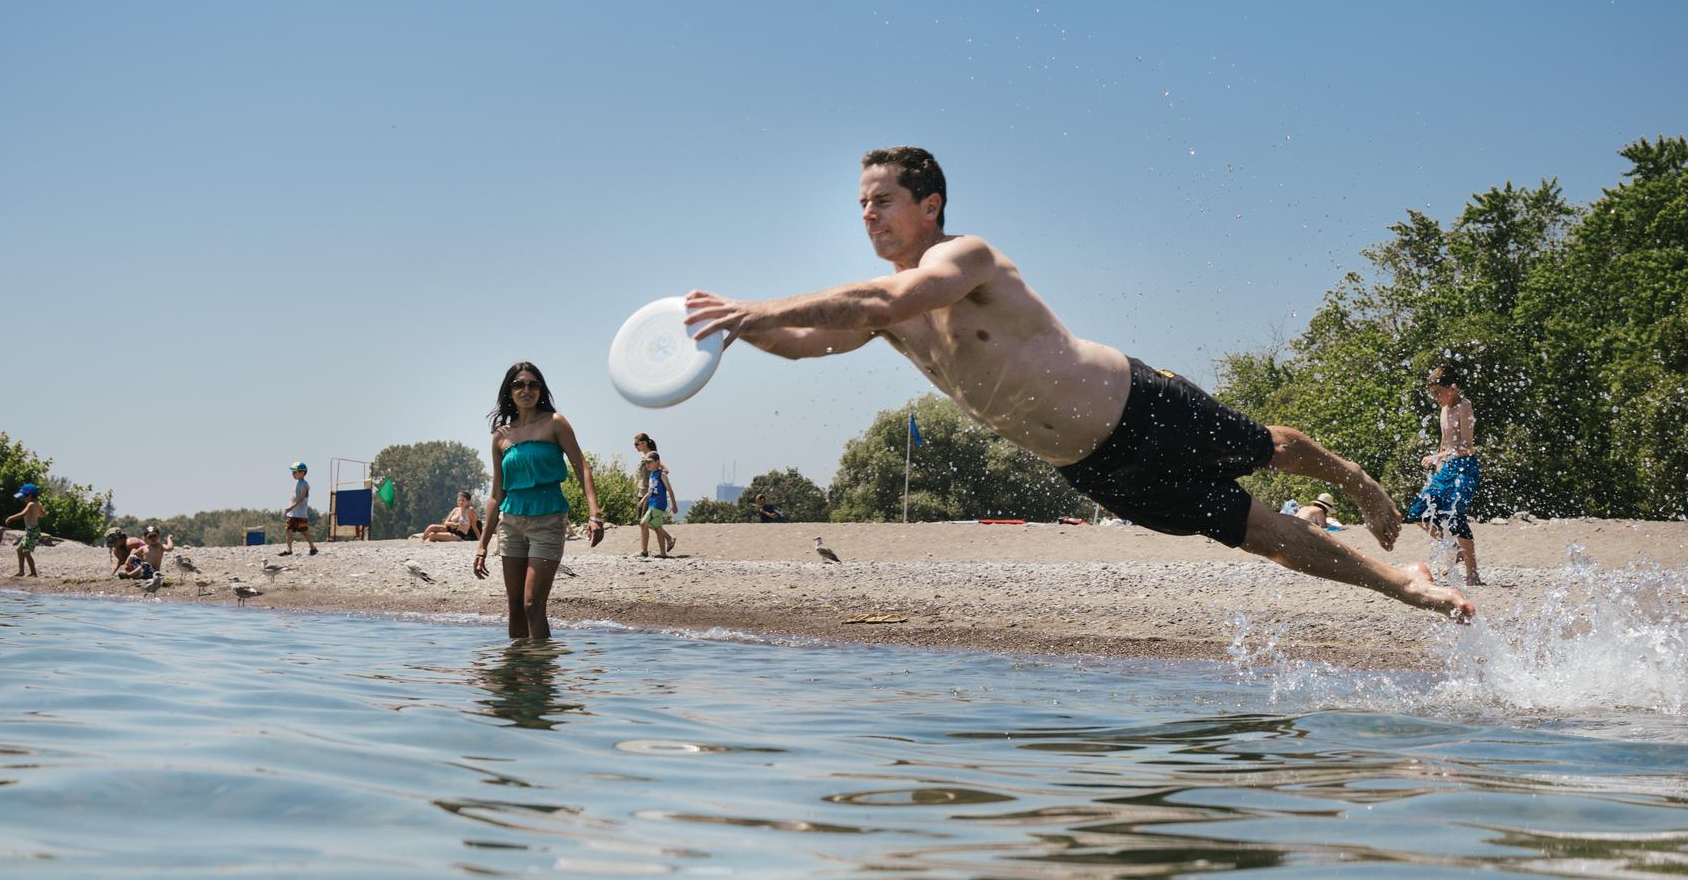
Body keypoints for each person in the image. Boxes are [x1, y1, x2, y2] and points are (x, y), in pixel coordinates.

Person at [683, 146, 1473, 620]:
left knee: (1262, 448)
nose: (868, 215)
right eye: (860, 204)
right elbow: (801, 344)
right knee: (1256, 532)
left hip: (1131, 404)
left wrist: (755, 303)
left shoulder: (967, 259)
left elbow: (890, 295)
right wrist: (731, 329)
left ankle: (1350, 476)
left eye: (882, 200)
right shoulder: (882, 314)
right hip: (1093, 469)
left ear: (930, 204)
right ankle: (1404, 588)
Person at [474, 362, 605, 639]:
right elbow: (497, 493)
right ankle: (514, 677)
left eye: (533, 384)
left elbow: (582, 466)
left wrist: (595, 514)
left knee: (532, 604)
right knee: (515, 607)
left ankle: (539, 677)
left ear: (541, 390)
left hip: (548, 520)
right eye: (519, 384)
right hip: (510, 524)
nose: (526, 390)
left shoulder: (555, 423)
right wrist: (482, 546)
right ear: (509, 392)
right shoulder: (501, 436)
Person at [1405, 365, 1483, 587]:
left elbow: (1467, 447)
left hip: (1465, 467)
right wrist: (1439, 463)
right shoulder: (1444, 410)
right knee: (1418, 513)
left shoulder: (1464, 406)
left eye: (1439, 392)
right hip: (1447, 467)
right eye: (1433, 394)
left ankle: (1473, 574)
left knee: (1457, 517)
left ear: (1453, 388)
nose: (1436, 398)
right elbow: (1445, 441)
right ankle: (1452, 548)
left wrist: (1437, 455)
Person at [634, 441, 677, 558]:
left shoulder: (661, 475)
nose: (647, 465)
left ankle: (644, 551)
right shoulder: (652, 475)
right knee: (657, 527)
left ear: (657, 462)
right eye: (646, 463)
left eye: (650, 462)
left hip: (659, 504)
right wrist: (643, 500)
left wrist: (674, 505)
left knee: (644, 523)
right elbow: (651, 490)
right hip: (652, 503)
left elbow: (670, 490)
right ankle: (663, 553)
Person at [7, 482, 44, 577]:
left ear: (30, 495)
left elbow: (22, 514)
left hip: (32, 531)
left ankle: (33, 573)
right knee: (20, 550)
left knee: (26, 552)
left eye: (24, 497)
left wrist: (10, 518)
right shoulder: (38, 504)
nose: (23, 499)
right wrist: (37, 513)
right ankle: (21, 571)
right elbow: (44, 514)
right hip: (32, 530)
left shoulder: (31, 504)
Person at [282, 462, 317, 556]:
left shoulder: (305, 485)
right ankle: (289, 550)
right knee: (288, 529)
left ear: (302, 473)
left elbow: (301, 499)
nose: (292, 474)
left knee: (303, 531)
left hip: (300, 513)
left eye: (295, 472)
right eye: (293, 472)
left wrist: (290, 507)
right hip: (292, 513)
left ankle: (313, 547)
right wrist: (290, 509)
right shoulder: (296, 483)